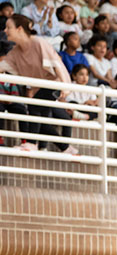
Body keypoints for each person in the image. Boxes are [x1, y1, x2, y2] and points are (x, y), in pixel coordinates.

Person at [0, 15, 74, 154]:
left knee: (34, 107)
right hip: (39, 88)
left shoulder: (39, 43)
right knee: (42, 122)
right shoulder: (15, 53)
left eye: (8, 27)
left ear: (19, 29)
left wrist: (65, 86)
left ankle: (31, 143)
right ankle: (67, 148)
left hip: (55, 82)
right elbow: (1, 67)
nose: (5, 30)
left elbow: (56, 64)